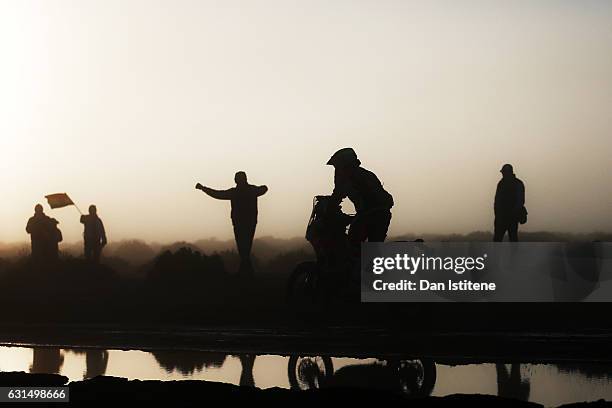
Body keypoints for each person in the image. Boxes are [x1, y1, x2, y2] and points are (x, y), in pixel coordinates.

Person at [196, 172, 268, 276]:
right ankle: (246, 272)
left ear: (236, 180)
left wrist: (203, 188)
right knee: (246, 247)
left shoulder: (235, 192)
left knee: (243, 247)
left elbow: (218, 194)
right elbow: (264, 189)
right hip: (250, 222)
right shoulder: (252, 190)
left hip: (239, 223)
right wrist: (262, 187)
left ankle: (246, 273)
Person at [327, 148, 394, 248]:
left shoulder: (348, 175)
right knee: (373, 248)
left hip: (369, 214)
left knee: (352, 246)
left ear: (343, 163)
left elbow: (338, 193)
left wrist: (329, 208)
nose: (336, 169)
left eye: (337, 165)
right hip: (382, 213)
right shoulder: (366, 173)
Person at [494, 164, 526, 242]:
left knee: (509, 239)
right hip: (504, 217)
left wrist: (513, 214)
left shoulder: (504, 184)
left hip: (509, 217)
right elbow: (497, 201)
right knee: (508, 239)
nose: (502, 174)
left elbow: (520, 201)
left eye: (504, 172)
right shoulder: (504, 183)